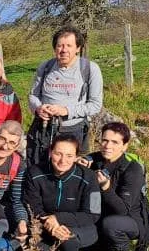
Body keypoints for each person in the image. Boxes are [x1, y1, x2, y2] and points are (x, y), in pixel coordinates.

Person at [80, 122, 149, 251]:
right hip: (101, 213)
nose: (107, 146)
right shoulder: (96, 160)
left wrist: (106, 187)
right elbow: (91, 157)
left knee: (111, 224)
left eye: (115, 142)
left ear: (124, 146)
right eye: (105, 140)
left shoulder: (132, 169)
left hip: (130, 218)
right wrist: (82, 164)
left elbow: (122, 209)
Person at [26, 26, 103, 163]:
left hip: (73, 131)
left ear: (78, 48)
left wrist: (66, 111)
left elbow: (95, 105)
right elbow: (33, 95)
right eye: (60, 45)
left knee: (69, 169)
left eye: (69, 45)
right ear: (55, 48)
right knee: (38, 168)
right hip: (43, 129)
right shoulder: (45, 67)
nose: (64, 50)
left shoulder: (90, 69)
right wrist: (38, 108)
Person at [22, 134, 101, 251]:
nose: (63, 160)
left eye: (69, 156)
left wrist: (58, 218)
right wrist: (52, 224)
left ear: (76, 157)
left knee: (68, 240)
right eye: (58, 154)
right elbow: (32, 206)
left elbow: (94, 213)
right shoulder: (34, 173)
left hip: (79, 227)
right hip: (45, 226)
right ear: (50, 152)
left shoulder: (89, 177)